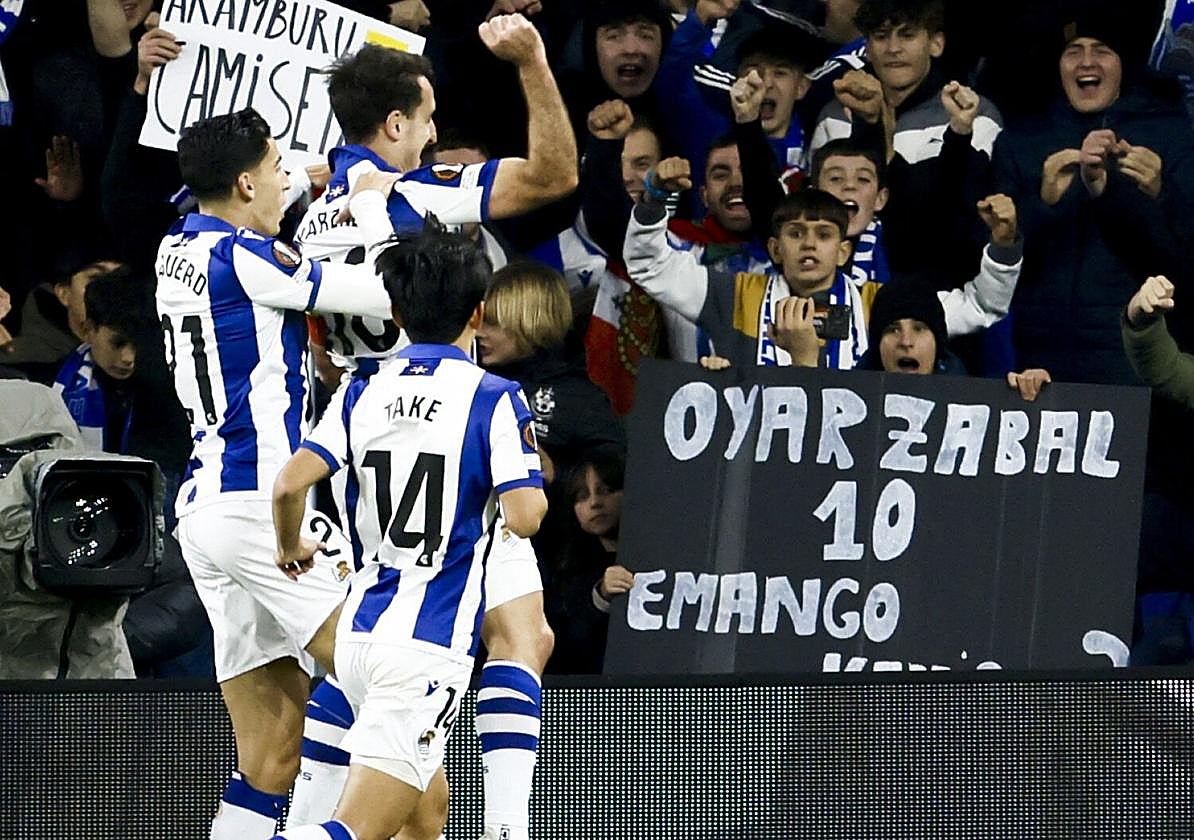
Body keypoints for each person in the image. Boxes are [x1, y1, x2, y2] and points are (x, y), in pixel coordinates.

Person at [288, 18, 575, 840]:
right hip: (449, 437)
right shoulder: (411, 196)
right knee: (517, 634)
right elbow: (553, 174)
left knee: (412, 770)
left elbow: (316, 343)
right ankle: (509, 830)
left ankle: (306, 815)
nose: (435, 130)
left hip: (360, 447)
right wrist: (533, 61)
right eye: (427, 116)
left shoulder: (311, 217)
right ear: (394, 123)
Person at [155, 107, 401, 839]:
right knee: (386, 672)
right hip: (258, 504)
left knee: (269, 759)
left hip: (205, 507)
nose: (283, 179)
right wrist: (370, 205)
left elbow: (254, 207)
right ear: (242, 182)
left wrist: (303, 178)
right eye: (272, 169)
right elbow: (382, 294)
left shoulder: (177, 244)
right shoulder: (249, 258)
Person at [270, 224, 547, 840]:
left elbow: (289, 485)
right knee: (356, 831)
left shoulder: (359, 390)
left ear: (396, 314)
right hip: (426, 647)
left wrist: (290, 547)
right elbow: (525, 517)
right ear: (479, 314)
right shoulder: (494, 397)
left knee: (426, 818)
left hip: (359, 635)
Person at [624, 165, 1021, 369]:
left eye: (824, 235)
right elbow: (649, 265)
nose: (810, 244)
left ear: (844, 251)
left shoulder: (882, 305)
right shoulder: (732, 295)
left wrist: (1004, 246)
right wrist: (654, 199)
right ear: (776, 249)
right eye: (796, 234)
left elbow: (980, 306)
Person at [992, 6, 1194, 386]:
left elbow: (1185, 255)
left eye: (1102, 50)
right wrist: (1043, 204)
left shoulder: (1172, 136)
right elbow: (994, 261)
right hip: (1039, 358)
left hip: (1133, 359)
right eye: (1074, 51)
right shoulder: (1019, 142)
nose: (1087, 62)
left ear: (1122, 63)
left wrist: (1161, 192)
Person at [542, 450, 632, 675]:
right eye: (581, 496)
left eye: (606, 490)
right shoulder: (568, 571)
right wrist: (601, 596)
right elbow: (568, 644)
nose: (594, 503)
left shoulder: (661, 552)